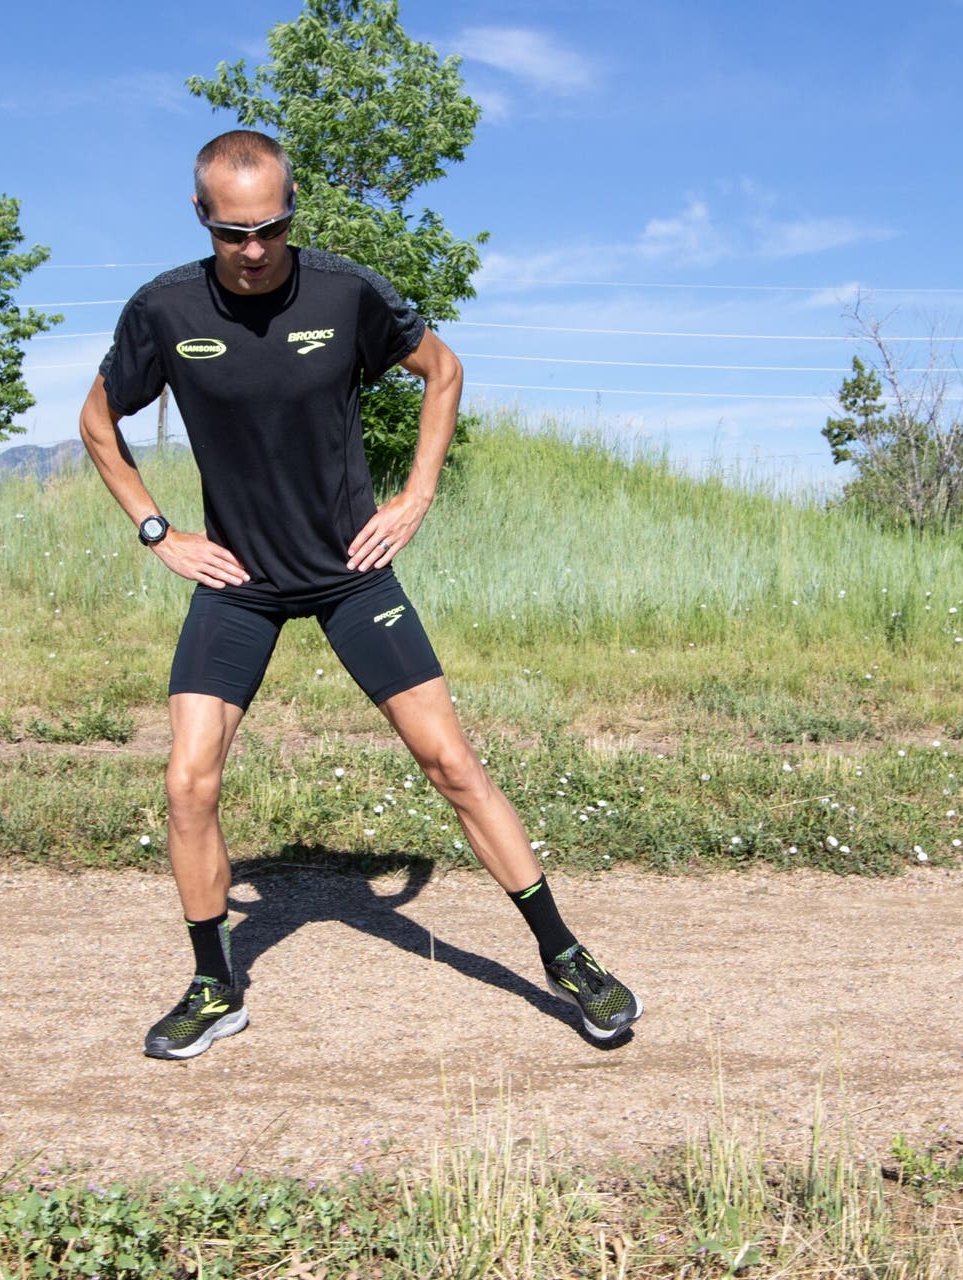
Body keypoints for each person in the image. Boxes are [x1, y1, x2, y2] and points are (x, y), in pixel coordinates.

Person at [79, 129, 641, 1060]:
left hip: (351, 573)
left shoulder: (343, 292)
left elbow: (443, 371)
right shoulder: (163, 309)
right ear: (200, 217)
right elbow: (98, 421)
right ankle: (215, 986)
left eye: (271, 228)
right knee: (187, 782)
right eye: (232, 233)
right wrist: (158, 531)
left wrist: (416, 495)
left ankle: (566, 957)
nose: (253, 249)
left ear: (292, 210)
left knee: (450, 763)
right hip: (240, 583)